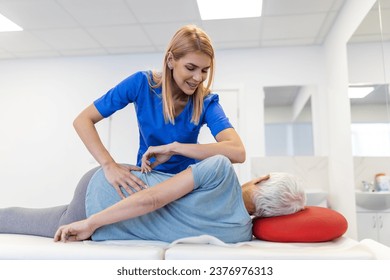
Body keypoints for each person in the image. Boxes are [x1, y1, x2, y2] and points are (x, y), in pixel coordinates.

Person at [73, 24, 246, 199]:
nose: (198, 78)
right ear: (171, 60)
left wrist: (175, 148)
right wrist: (108, 164)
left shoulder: (206, 102)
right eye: (190, 68)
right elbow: (83, 120)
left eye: (204, 71)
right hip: (148, 181)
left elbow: (237, 151)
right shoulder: (141, 84)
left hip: (187, 186)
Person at [0, 155, 306, 243]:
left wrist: (90, 223)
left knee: (21, 219)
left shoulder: (222, 169)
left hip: (103, 191)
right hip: (108, 213)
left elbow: (152, 200)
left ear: (262, 179)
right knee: (27, 219)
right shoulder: (239, 233)